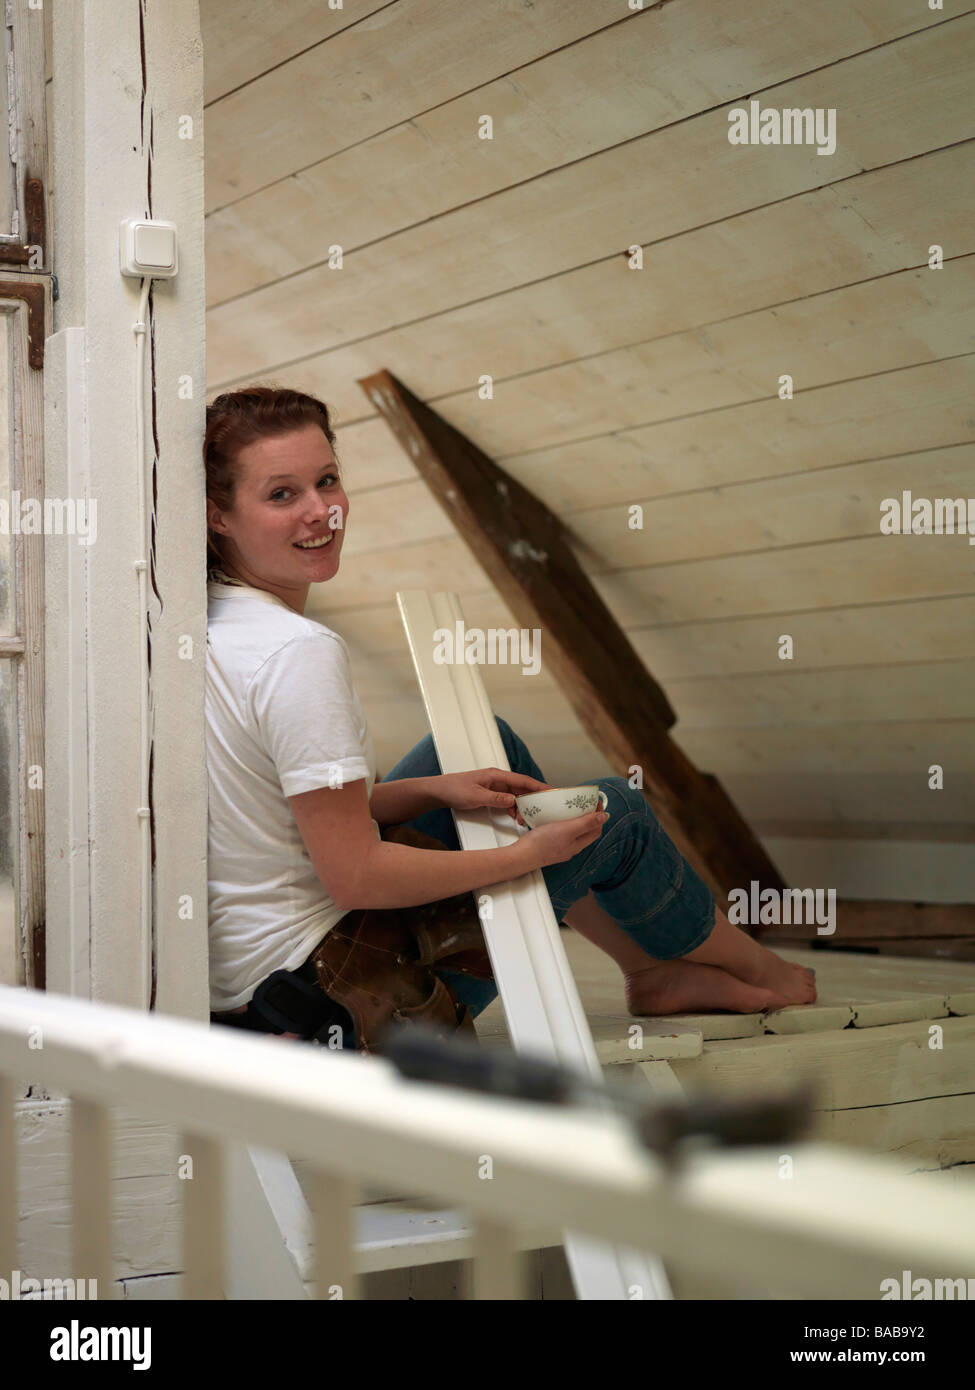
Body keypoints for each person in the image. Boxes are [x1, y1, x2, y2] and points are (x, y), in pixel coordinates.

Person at [204, 386, 815, 1051]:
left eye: (327, 480)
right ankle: (758, 966)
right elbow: (354, 875)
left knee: (485, 751)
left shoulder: (203, 623)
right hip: (347, 1001)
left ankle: (652, 971)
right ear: (218, 515)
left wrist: (436, 790)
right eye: (281, 495)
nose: (321, 512)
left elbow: (282, 815)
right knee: (612, 814)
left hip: (253, 988)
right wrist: (525, 857)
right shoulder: (297, 654)